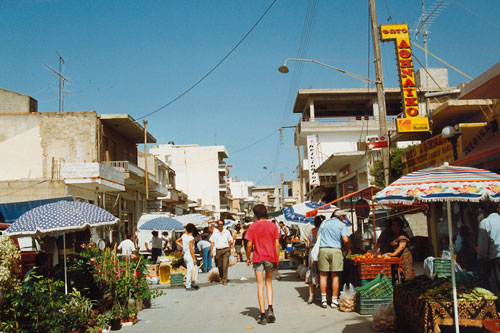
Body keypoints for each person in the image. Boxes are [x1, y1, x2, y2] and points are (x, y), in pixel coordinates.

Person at [245, 204, 280, 325]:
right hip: (270, 258)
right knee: (269, 283)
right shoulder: (273, 226)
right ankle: (270, 308)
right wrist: (277, 259)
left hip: (258, 258)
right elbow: (277, 245)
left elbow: (249, 245)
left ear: (255, 214)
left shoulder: (253, 226)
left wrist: (248, 257)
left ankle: (263, 315)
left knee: (260, 285)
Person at [318, 209, 351, 309]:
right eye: (344, 217)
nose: (344, 219)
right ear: (340, 217)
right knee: (335, 276)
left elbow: (318, 236)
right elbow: (345, 239)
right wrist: (348, 247)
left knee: (323, 275)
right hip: (336, 250)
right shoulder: (341, 225)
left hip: (323, 249)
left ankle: (324, 300)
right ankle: (333, 300)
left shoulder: (324, 223)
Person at [477, 201, 500, 306]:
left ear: (484, 211)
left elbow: (482, 249)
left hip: (496, 260)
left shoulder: (485, 223)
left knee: (497, 289)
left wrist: (481, 261)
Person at [305, 215, 325, 304]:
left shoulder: (311, 231)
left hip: (312, 255)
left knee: (312, 274)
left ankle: (311, 297)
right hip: (320, 254)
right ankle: (323, 295)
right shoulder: (322, 231)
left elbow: (308, 245)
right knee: (322, 274)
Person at [175, 223, 199, 290]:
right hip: (190, 255)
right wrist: (194, 258)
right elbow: (191, 249)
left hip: (185, 254)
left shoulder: (184, 236)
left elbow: (176, 241)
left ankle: (193, 282)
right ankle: (188, 284)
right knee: (190, 271)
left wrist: (183, 247)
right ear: (193, 230)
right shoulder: (191, 238)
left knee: (192, 269)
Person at [210, 219, 233, 285]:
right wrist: (211, 251)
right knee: (220, 265)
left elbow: (230, 240)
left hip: (225, 250)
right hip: (218, 250)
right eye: (219, 224)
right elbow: (212, 242)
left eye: (221, 224)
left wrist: (229, 249)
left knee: (225, 265)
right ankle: (221, 277)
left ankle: (224, 279)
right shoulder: (215, 232)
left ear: (223, 225)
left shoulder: (227, 232)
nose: (220, 226)